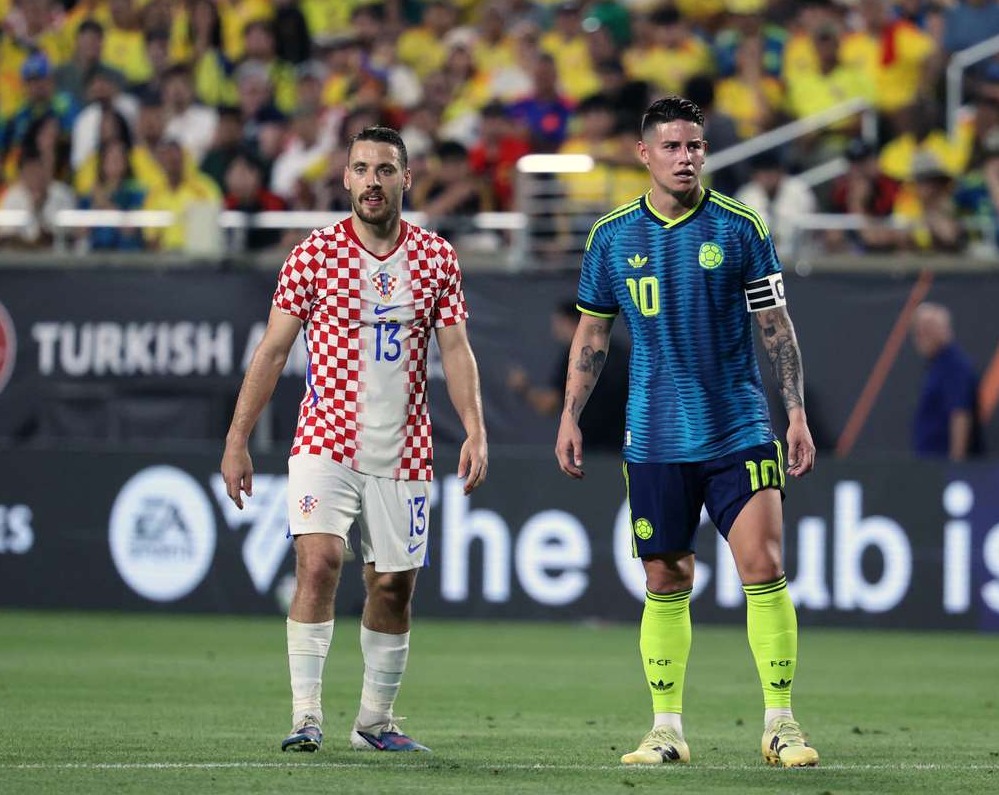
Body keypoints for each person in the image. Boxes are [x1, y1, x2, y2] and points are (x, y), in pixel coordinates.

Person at [555, 98, 819, 768]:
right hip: (654, 434)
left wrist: (794, 413)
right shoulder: (611, 237)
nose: (686, 157)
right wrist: (570, 414)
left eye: (695, 146)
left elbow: (775, 326)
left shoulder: (739, 227)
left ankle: (781, 723)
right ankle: (666, 729)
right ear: (644, 154)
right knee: (666, 576)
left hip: (738, 425)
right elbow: (593, 332)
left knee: (764, 563)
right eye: (672, 146)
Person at [220, 125, 488, 755]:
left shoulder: (436, 258)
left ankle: (374, 722)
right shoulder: (313, 255)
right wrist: (238, 439)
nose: (372, 181)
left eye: (385, 169)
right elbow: (272, 351)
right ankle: (305, 716)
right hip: (325, 439)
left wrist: (475, 429)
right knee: (319, 562)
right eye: (361, 169)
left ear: (405, 179)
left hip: (406, 449)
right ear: (345, 178)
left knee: (392, 587)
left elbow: (457, 351)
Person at [507, 300, 628, 452]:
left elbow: (550, 404)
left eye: (557, 323)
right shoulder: (620, 352)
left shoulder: (574, 356)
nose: (554, 330)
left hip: (594, 446)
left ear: (569, 322)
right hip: (625, 444)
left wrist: (523, 389)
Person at [910, 302, 981, 460]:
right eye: (917, 331)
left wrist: (956, 464)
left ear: (943, 329)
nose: (920, 336)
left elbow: (960, 414)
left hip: (944, 467)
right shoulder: (937, 365)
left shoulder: (954, 365)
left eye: (926, 330)